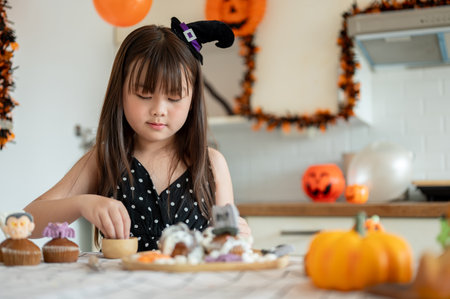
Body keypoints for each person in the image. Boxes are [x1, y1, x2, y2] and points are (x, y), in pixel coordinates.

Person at [24, 17, 251, 251]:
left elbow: (225, 245)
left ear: (192, 100)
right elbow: (27, 221)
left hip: (193, 286)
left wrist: (235, 236)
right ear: (120, 92)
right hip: (118, 287)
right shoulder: (105, 158)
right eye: (144, 94)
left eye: (174, 98)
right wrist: (82, 204)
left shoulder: (212, 164)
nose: (158, 110)